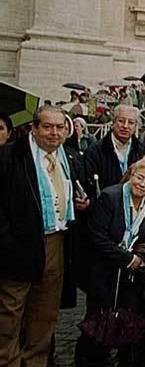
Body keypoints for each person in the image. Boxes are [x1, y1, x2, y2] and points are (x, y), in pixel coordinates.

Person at [0, 105, 89, 366]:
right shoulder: (9, 157)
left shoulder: (70, 157)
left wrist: (80, 204)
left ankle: (35, 362)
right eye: (48, 127)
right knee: (9, 313)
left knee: (45, 312)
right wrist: (7, 242)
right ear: (34, 128)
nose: (54, 133)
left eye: (60, 127)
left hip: (57, 242)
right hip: (18, 245)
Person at [74, 156, 145, 366]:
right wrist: (127, 258)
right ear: (131, 174)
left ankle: (125, 356)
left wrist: (142, 256)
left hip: (132, 272)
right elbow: (98, 236)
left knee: (129, 315)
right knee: (98, 318)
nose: (142, 184)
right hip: (105, 268)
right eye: (139, 178)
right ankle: (90, 358)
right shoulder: (110, 196)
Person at [82, 105, 145, 202]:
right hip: (105, 206)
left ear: (135, 126)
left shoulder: (141, 150)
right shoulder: (95, 150)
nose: (125, 126)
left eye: (131, 123)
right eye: (121, 121)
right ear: (113, 123)